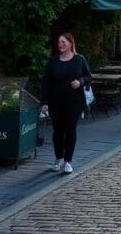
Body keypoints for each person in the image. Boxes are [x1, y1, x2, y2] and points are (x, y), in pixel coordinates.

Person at [40, 33, 92, 175]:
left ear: (70, 44)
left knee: (70, 129)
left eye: (63, 42)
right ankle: (58, 158)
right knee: (57, 131)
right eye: (59, 42)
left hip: (74, 101)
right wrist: (44, 102)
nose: (60, 45)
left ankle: (68, 161)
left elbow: (88, 76)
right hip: (55, 101)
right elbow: (46, 83)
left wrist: (79, 82)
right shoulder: (53, 61)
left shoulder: (79, 59)